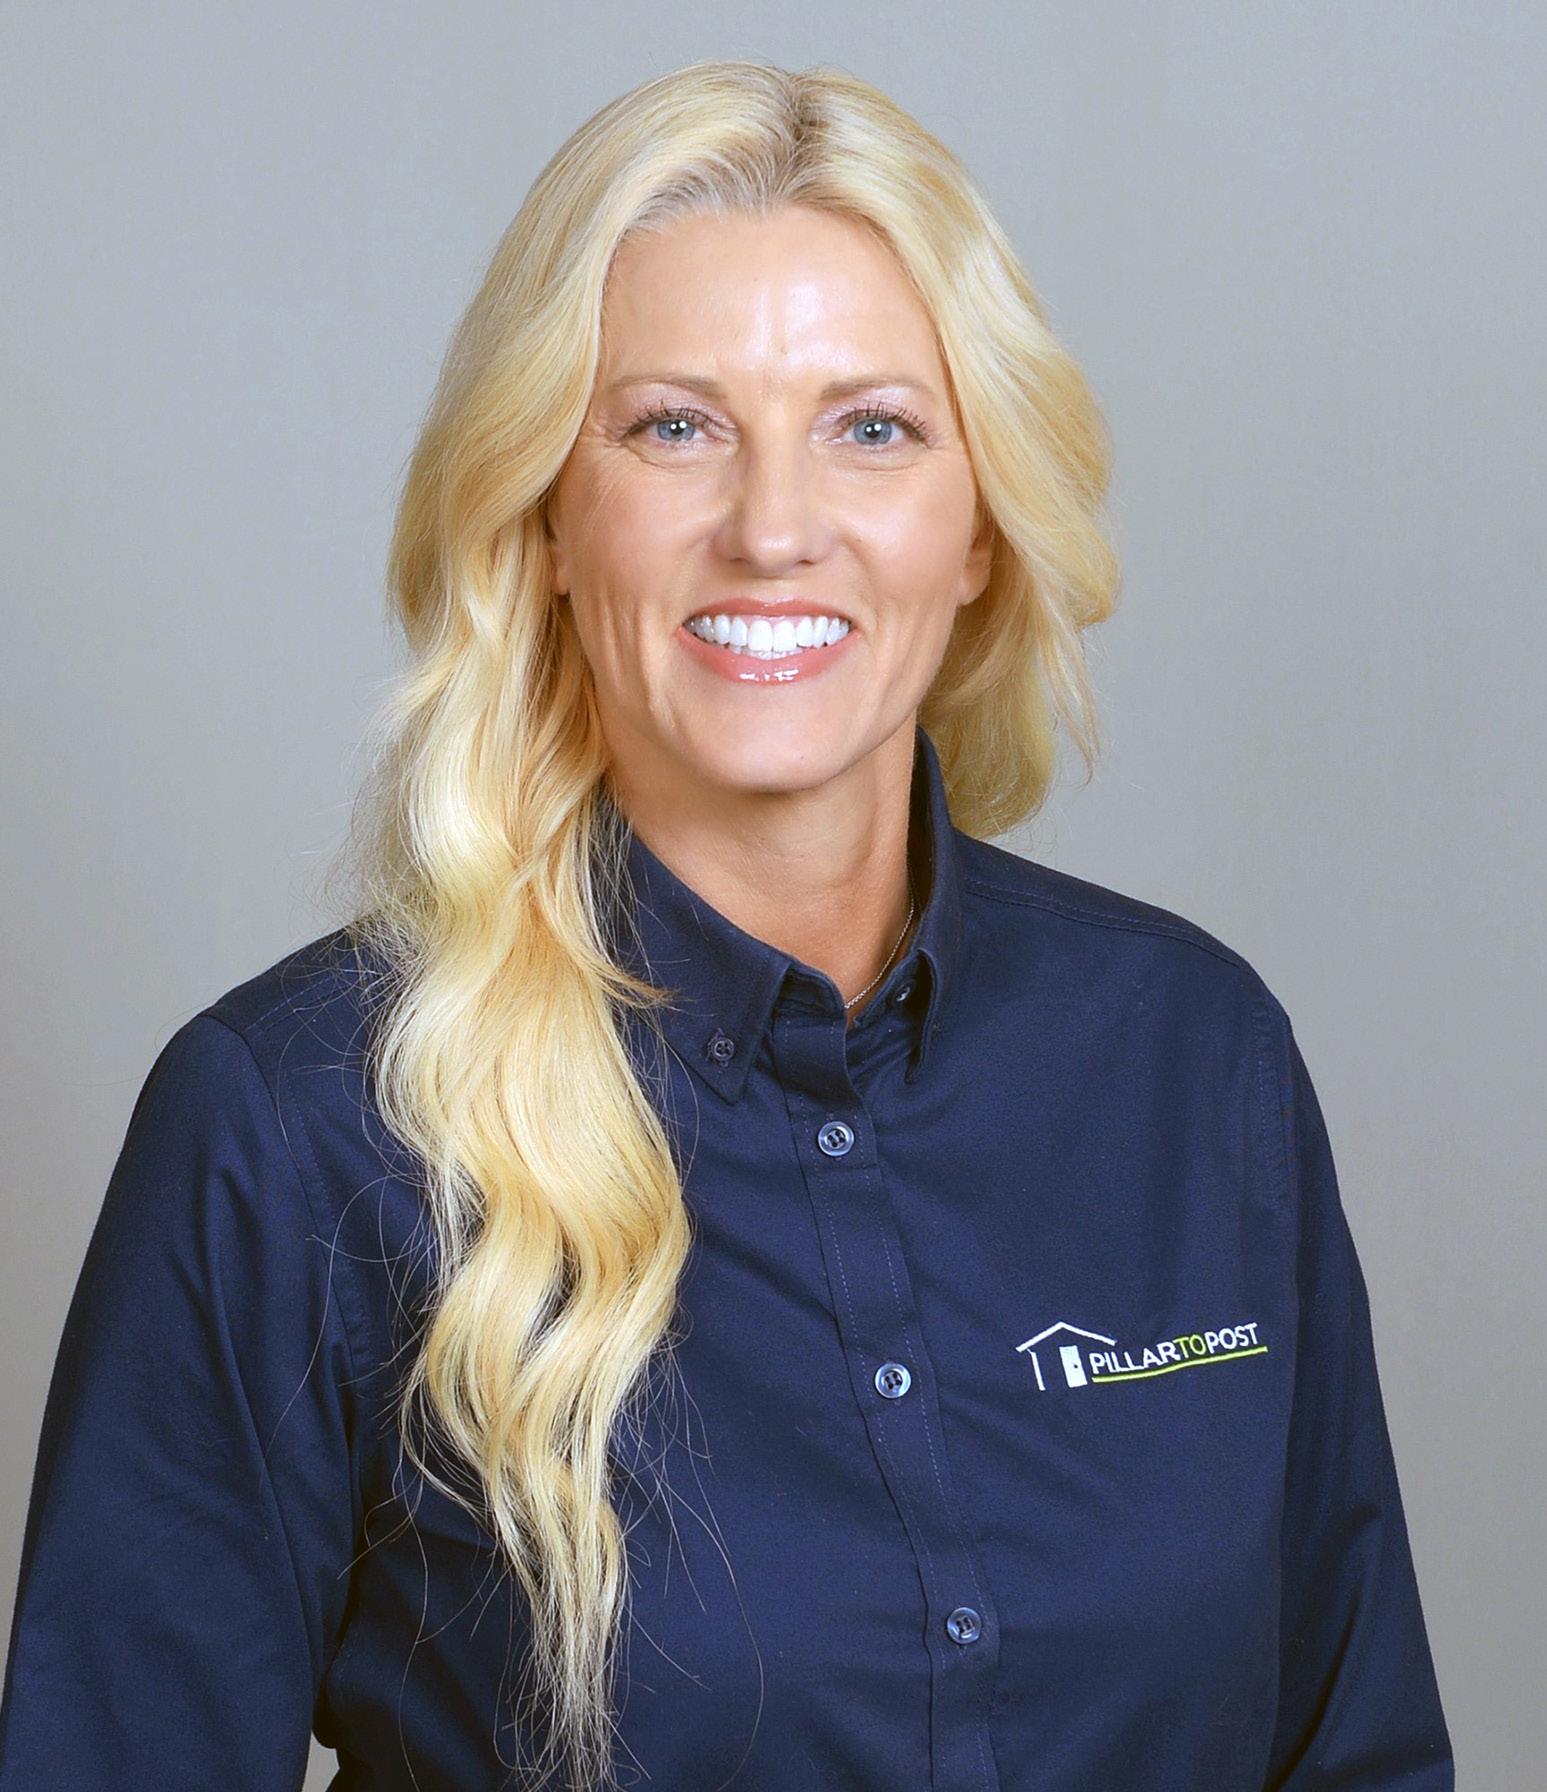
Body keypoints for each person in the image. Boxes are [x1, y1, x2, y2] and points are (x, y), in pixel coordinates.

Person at [0, 56, 1453, 1792]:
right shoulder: (298, 1125)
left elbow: (1359, 1753)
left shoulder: (1196, 1060)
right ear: (548, 515)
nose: (774, 529)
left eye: (873, 428)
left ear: (979, 528)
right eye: (674, 427)